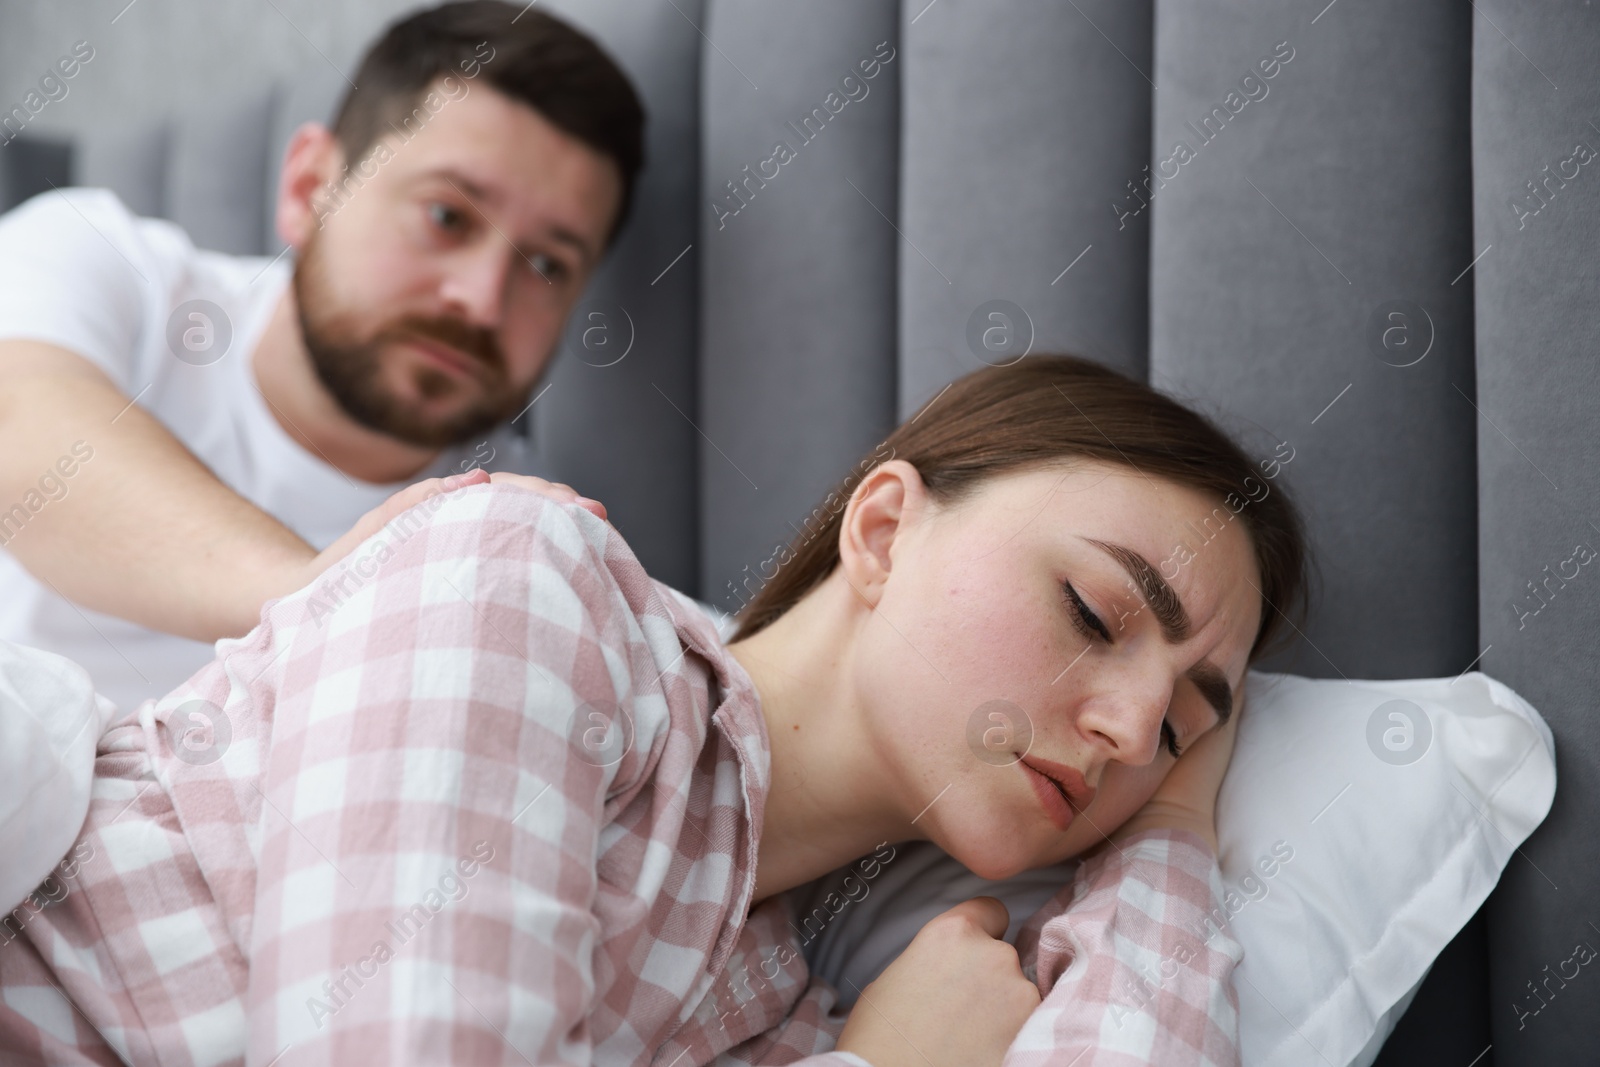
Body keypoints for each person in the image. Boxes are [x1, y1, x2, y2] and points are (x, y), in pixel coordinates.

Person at [0, 355, 1309, 1066]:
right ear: (887, 528)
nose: (1135, 727)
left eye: (1191, 718)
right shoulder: (522, 578)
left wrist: (1174, 835)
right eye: (1093, 611)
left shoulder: (773, 1011)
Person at [0, 0, 641, 716]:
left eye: (548, 265)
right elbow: (21, 425)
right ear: (310, 188)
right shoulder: (100, 255)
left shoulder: (523, 544)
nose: (483, 300)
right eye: (447, 216)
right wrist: (324, 593)